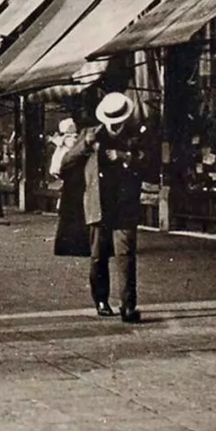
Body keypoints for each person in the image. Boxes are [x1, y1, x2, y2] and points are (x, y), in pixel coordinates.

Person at [55, 92, 150, 323]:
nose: (116, 125)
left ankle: (128, 307)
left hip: (124, 206)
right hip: (98, 205)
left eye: (119, 121)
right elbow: (65, 164)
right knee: (98, 257)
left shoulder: (134, 135)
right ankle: (100, 300)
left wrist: (125, 156)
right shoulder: (90, 135)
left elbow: (149, 164)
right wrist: (85, 146)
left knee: (126, 256)